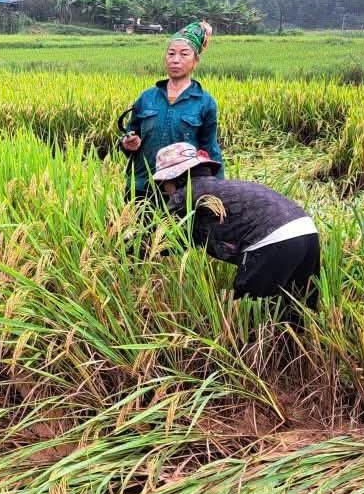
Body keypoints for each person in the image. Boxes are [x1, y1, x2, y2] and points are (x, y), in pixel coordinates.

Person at [152, 143, 320, 319]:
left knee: (246, 315)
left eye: (163, 184)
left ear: (175, 178)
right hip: (306, 230)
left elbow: (160, 235)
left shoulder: (186, 193)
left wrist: (131, 248)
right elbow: (187, 237)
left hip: (272, 239)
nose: (164, 190)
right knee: (295, 308)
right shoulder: (221, 189)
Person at [113, 21, 222, 199]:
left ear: (195, 61)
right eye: (171, 54)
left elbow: (210, 148)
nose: (175, 59)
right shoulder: (146, 98)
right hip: (141, 186)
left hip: (182, 190)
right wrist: (127, 143)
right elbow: (130, 135)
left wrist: (218, 190)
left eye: (184, 54)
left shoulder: (205, 102)